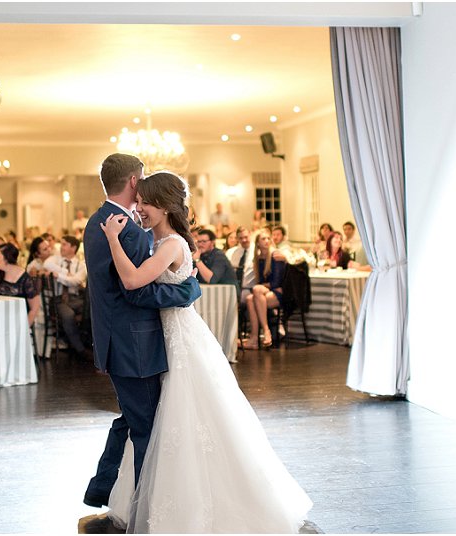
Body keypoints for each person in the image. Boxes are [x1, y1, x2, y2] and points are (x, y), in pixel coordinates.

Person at [100, 171, 312, 533]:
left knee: (185, 413)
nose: (139, 208)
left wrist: (112, 239)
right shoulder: (159, 238)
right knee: (170, 416)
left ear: (166, 206)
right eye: (139, 201)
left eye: (146, 202)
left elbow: (133, 281)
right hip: (169, 335)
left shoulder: (171, 244)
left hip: (179, 339)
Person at [80, 154, 201, 532]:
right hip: (137, 346)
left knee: (135, 420)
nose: (143, 201)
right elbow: (134, 290)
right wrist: (188, 291)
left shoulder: (102, 221)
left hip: (130, 341)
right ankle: (145, 513)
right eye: (142, 185)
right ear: (134, 181)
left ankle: (108, 492)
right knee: (146, 426)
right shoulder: (123, 230)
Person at [43, 235, 89, 360]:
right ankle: (80, 350)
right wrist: (65, 272)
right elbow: (46, 264)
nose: (61, 247)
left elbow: (76, 281)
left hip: (75, 299)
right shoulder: (56, 259)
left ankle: (85, 342)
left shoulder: (81, 264)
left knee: (91, 310)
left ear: (73, 248)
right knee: (68, 314)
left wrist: (58, 276)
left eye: (64, 244)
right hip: (58, 300)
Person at [244, 230, 286, 350]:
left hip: (279, 292)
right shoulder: (258, 258)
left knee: (256, 290)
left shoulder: (275, 255)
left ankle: (265, 331)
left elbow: (276, 283)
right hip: (266, 292)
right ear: (257, 243)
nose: (267, 241)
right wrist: (262, 287)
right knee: (249, 298)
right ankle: (254, 339)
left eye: (268, 238)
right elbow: (260, 281)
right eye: (263, 239)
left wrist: (262, 287)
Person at [0, 243, 40, 326]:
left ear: (7, 259)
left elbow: (35, 308)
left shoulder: (26, 279)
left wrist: (24, 328)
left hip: (18, 323)